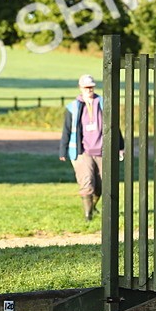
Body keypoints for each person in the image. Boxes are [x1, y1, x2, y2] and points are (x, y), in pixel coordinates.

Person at [60, 74, 105, 221]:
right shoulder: (73, 107)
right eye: (86, 87)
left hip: (101, 150)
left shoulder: (103, 103)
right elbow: (66, 129)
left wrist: (120, 147)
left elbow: (113, 127)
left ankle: (93, 206)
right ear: (80, 88)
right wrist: (63, 150)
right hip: (82, 151)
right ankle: (88, 216)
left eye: (91, 87)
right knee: (86, 182)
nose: (89, 89)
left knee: (102, 185)